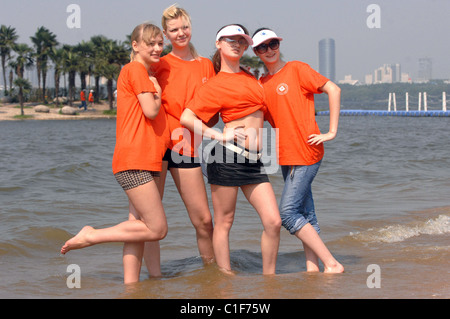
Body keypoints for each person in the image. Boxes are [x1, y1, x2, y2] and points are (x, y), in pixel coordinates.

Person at [60, 23, 170, 284]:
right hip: (136, 161)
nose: (156, 48)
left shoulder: (134, 72)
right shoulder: (136, 70)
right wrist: (159, 90)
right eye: (150, 43)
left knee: (138, 227)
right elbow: (151, 110)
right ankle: (91, 235)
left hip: (145, 159)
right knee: (157, 228)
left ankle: (131, 286)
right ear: (135, 45)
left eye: (159, 43)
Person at [180, 24, 281, 275]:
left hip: (255, 161)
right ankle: (224, 279)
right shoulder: (215, 84)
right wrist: (218, 134)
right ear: (218, 44)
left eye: (241, 41)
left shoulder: (251, 79)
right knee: (225, 222)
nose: (236, 44)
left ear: (247, 46)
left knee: (274, 221)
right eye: (230, 40)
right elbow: (187, 117)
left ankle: (270, 281)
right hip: (226, 157)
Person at [252, 28, 344, 273]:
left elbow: (333, 89)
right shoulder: (262, 84)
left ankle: (331, 263)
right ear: (256, 52)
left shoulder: (297, 69)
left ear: (278, 44)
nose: (269, 50)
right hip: (285, 155)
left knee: (289, 214)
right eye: (262, 47)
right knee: (307, 213)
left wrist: (331, 131)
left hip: (307, 152)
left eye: (272, 44)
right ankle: (312, 268)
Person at [144, 4, 216, 276]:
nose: (181, 33)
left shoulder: (206, 65)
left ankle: (213, 275)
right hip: (159, 144)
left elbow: (212, 109)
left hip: (187, 147)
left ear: (191, 27)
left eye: (184, 27)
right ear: (165, 33)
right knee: (152, 220)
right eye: (174, 29)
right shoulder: (159, 63)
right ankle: (154, 278)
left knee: (204, 220)